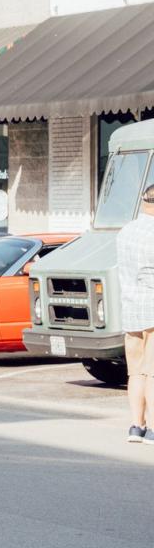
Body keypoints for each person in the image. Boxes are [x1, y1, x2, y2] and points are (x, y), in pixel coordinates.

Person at [116, 183, 154, 442]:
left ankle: (135, 426)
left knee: (136, 372)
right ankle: (152, 428)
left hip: (130, 307)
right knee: (153, 372)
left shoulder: (125, 232)